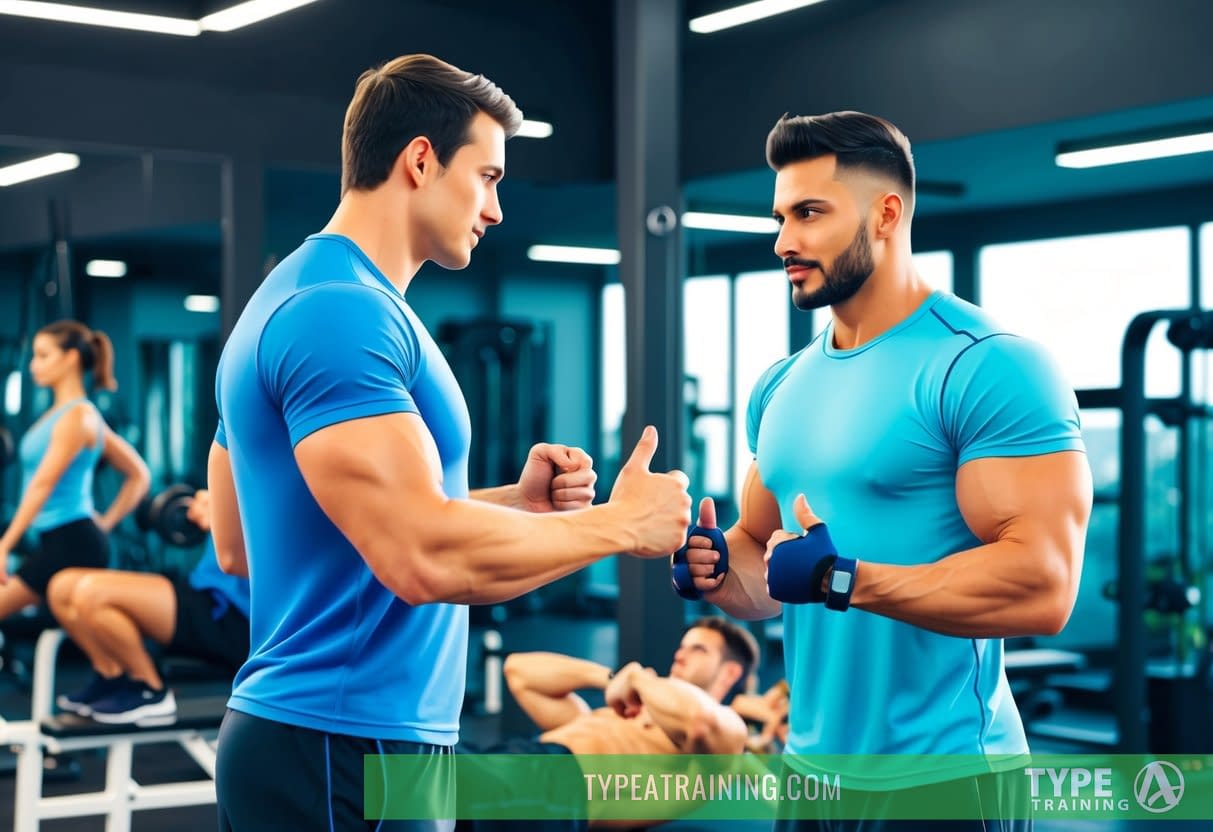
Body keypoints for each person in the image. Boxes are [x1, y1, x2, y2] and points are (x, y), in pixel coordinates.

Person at [208, 54, 692, 831]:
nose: (496, 208)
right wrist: (622, 525)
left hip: (340, 740)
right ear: (420, 160)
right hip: (343, 747)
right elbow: (420, 558)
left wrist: (518, 507)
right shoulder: (341, 314)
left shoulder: (296, 295)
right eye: (489, 176)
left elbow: (253, 538)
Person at [675, 111, 1092, 830]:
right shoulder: (780, 385)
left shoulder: (986, 365)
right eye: (780, 216)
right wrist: (716, 571)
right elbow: (763, 567)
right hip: (810, 776)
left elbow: (1042, 586)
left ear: (885, 214)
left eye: (809, 213)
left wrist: (845, 580)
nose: (783, 241)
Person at [456, 616, 754, 832]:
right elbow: (519, 672)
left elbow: (699, 722)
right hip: (514, 760)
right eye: (683, 645)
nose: (681, 653)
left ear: (729, 673)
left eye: (698, 649)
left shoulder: (729, 734)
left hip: (554, 793)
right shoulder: (624, 715)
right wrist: (612, 679)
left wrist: (639, 679)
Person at [48, 488, 249, 726]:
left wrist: (224, 519)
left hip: (237, 618)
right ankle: (112, 676)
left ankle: (149, 690)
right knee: (61, 586)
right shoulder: (239, 466)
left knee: (92, 595)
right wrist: (209, 501)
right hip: (203, 591)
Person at [0, 320, 150, 619]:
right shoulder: (69, 415)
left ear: (71, 358)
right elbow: (139, 473)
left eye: (43, 356)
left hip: (71, 542)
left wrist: (4, 545)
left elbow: (43, 484)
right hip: (58, 539)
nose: (33, 365)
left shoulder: (79, 417)